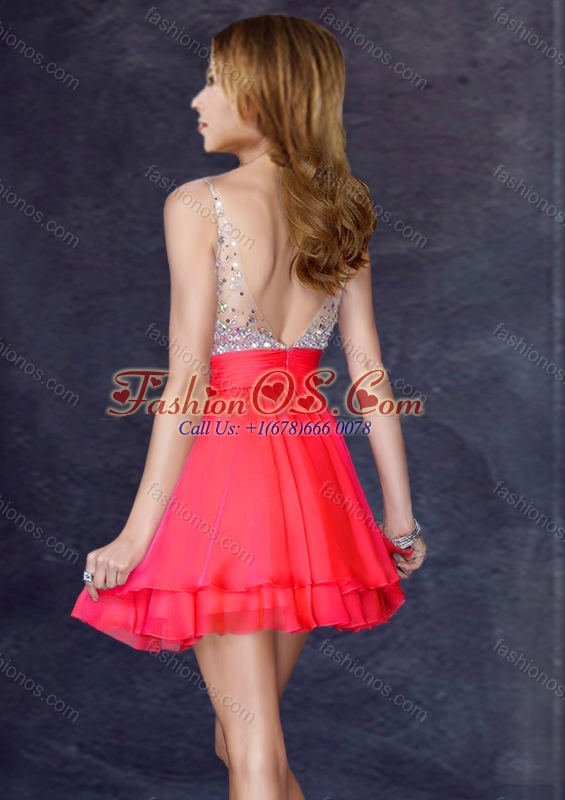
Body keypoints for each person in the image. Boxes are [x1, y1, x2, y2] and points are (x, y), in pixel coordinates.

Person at [71, 13, 426, 799]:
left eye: (213, 82)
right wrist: (398, 520)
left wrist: (136, 535)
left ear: (264, 95)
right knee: (237, 740)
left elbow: (188, 381)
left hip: (226, 489)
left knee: (254, 751)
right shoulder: (343, 207)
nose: (197, 100)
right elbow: (369, 373)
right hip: (317, 493)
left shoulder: (198, 204)